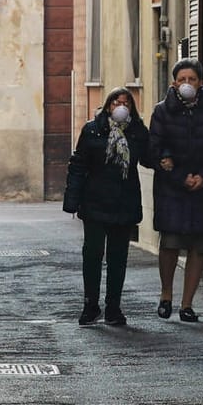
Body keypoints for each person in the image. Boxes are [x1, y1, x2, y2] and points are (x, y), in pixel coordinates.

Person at [148, 58, 203, 322]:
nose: (187, 84)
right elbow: (154, 149)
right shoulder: (162, 111)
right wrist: (177, 174)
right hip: (172, 188)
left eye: (192, 79)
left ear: (201, 83)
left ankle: (187, 304)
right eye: (182, 79)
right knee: (170, 244)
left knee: (199, 246)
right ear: (174, 83)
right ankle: (166, 296)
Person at [63, 87, 150, 326]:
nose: (120, 107)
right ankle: (90, 305)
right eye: (115, 102)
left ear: (131, 108)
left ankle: (114, 307)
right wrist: (72, 199)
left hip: (124, 202)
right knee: (92, 255)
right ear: (108, 105)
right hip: (95, 202)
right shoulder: (92, 130)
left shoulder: (137, 132)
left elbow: (149, 158)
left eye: (125, 103)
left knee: (118, 257)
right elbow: (78, 164)